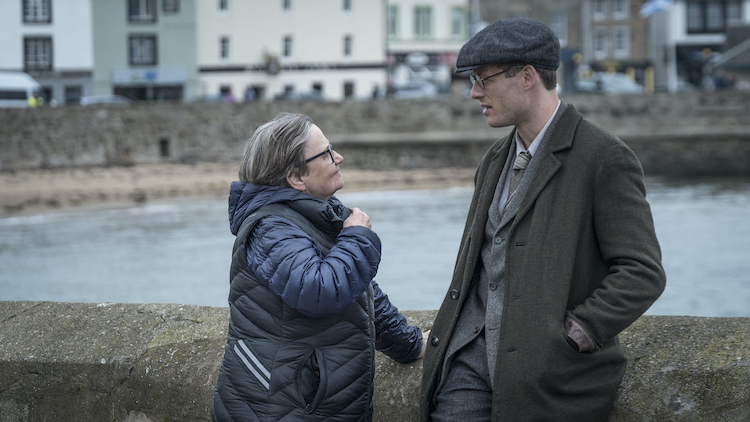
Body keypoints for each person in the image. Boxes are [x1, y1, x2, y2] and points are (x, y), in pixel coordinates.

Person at [419, 19, 666, 422]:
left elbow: (642, 272)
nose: (474, 92)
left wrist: (578, 331)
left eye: (483, 79)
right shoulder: (494, 160)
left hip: (549, 377)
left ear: (528, 77)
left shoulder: (604, 157)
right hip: (468, 362)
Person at [212, 112, 428, 421]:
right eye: (326, 153)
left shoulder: (315, 216)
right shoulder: (271, 227)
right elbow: (317, 290)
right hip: (282, 408)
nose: (338, 157)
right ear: (297, 177)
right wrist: (356, 237)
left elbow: (359, 293)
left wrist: (409, 344)